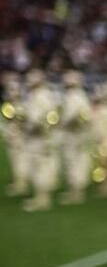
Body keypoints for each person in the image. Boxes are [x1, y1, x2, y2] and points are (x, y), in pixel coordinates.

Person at [21, 69, 61, 212]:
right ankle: (40, 197)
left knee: (40, 167)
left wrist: (26, 122)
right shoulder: (37, 95)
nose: (28, 81)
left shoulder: (41, 97)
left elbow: (40, 119)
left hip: (40, 138)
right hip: (38, 138)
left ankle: (42, 199)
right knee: (37, 167)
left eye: (31, 78)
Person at [58, 70, 92, 205]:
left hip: (73, 135)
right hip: (77, 135)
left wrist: (63, 122)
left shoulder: (75, 96)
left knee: (73, 162)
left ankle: (76, 193)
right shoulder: (80, 95)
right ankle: (75, 191)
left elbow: (74, 116)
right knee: (75, 162)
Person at [2, 72, 30, 196]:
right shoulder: (10, 105)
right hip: (13, 136)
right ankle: (18, 182)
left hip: (20, 137)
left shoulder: (22, 105)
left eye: (13, 90)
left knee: (21, 160)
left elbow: (23, 121)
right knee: (15, 160)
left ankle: (22, 184)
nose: (11, 93)